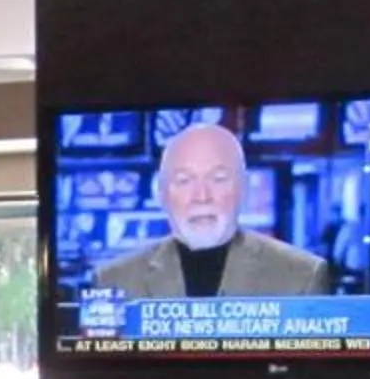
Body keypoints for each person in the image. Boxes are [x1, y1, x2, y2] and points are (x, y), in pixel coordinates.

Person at [90, 121, 334, 297]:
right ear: (162, 194)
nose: (201, 196)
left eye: (218, 178)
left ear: (243, 188)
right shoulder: (113, 283)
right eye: (184, 180)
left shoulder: (302, 277)